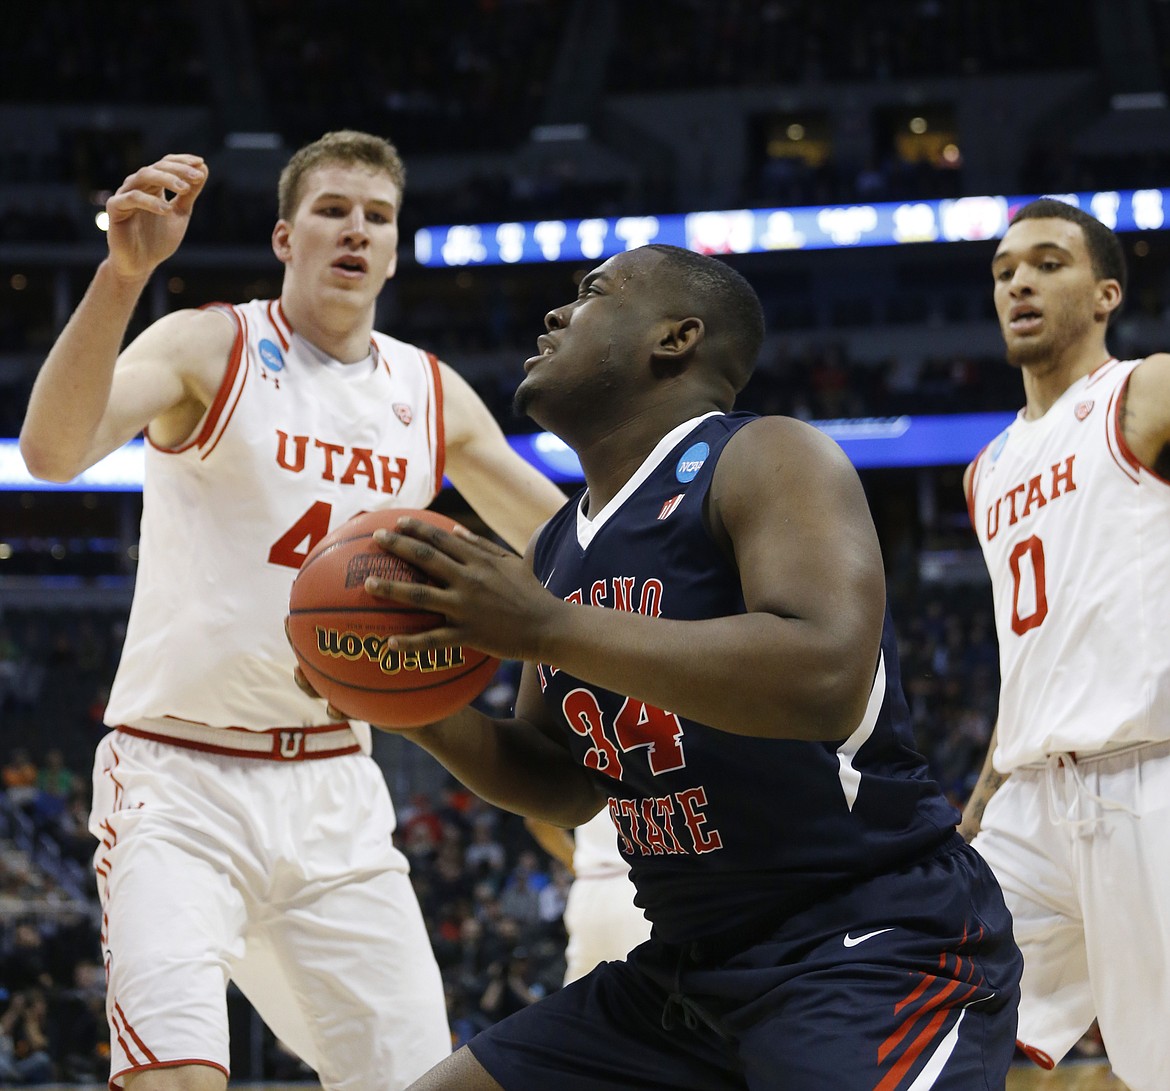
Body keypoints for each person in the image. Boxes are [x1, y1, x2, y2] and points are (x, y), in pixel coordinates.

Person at [317, 243, 1023, 1089]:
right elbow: (565, 780)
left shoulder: (765, 456)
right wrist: (404, 702)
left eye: (591, 294)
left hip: (868, 941)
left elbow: (826, 672)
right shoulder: (557, 543)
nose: (555, 315)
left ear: (675, 337)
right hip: (685, 971)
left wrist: (546, 626)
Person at [18, 131, 566, 1091]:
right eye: (332, 210)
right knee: (176, 1079)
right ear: (285, 236)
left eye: (377, 216)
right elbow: (52, 452)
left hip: (335, 790)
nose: (355, 229)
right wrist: (120, 276)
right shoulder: (211, 344)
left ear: (396, 249)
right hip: (179, 778)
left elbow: (565, 546)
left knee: (418, 1083)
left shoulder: (429, 392)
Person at [960, 197, 1170, 1090]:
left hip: (1148, 773)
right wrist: (980, 796)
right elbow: (1029, 646)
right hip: (1029, 801)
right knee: (912, 990)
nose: (1020, 282)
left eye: (1048, 263)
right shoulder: (987, 468)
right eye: (1006, 271)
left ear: (1105, 293)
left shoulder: (1143, 390)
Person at [524, 811, 651, 984]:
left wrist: (575, 863)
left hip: (589, 886)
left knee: (582, 999)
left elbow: (536, 818)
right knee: (653, 994)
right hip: (638, 881)